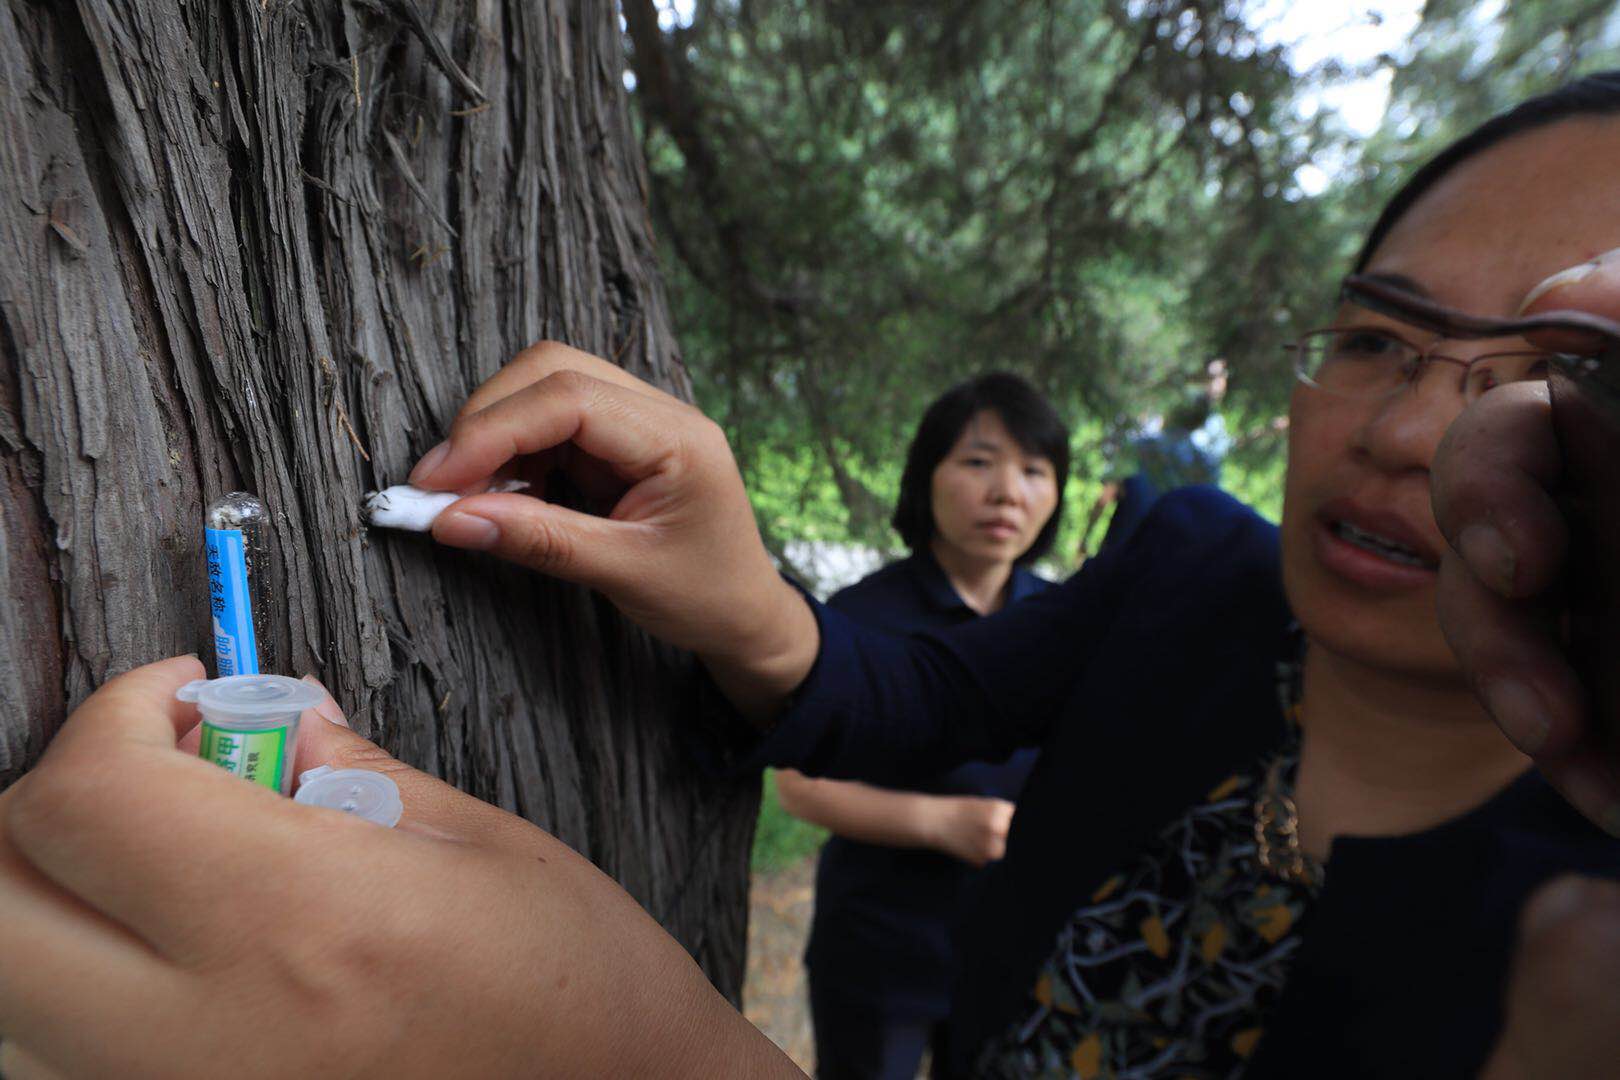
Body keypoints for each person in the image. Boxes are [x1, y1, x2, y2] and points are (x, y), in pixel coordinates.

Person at [5, 75, 1620, 1080]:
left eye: (1562, 379)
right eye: (1381, 337)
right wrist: (747, 600)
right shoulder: (1195, 577)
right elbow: (909, 696)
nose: (1415, 429)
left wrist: (632, 1059)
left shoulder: (1582, 955)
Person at [773, 374, 1066, 1079]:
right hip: (879, 949)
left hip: (1018, 951)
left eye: (1033, 470)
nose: (1007, 491)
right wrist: (941, 823)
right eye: (977, 462)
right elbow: (798, 787)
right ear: (924, 477)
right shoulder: (861, 617)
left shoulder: (1064, 621)